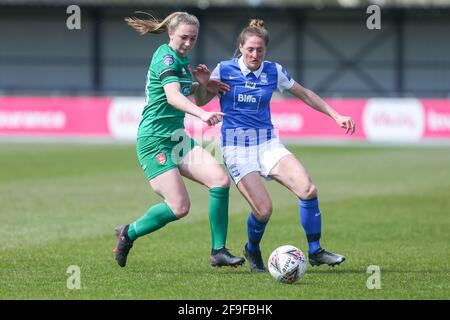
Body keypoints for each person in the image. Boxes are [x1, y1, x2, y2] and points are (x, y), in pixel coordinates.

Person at [210, 19, 356, 272]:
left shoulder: (273, 71)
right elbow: (202, 100)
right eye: (250, 50)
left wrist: (336, 115)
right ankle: (252, 249)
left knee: (308, 189)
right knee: (264, 210)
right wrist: (205, 84)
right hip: (237, 147)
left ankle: (315, 251)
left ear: (265, 50)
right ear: (240, 47)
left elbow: (305, 94)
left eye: (260, 50)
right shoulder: (223, 69)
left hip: (267, 142)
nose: (255, 55)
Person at [113, 12, 245, 269]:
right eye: (184, 37)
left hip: (177, 137)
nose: (188, 43)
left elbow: (198, 98)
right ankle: (128, 233)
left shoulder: (183, 62)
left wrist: (205, 85)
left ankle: (218, 251)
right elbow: (173, 97)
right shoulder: (165, 57)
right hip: (154, 140)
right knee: (179, 206)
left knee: (219, 180)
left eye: (193, 38)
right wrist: (202, 115)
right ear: (171, 34)